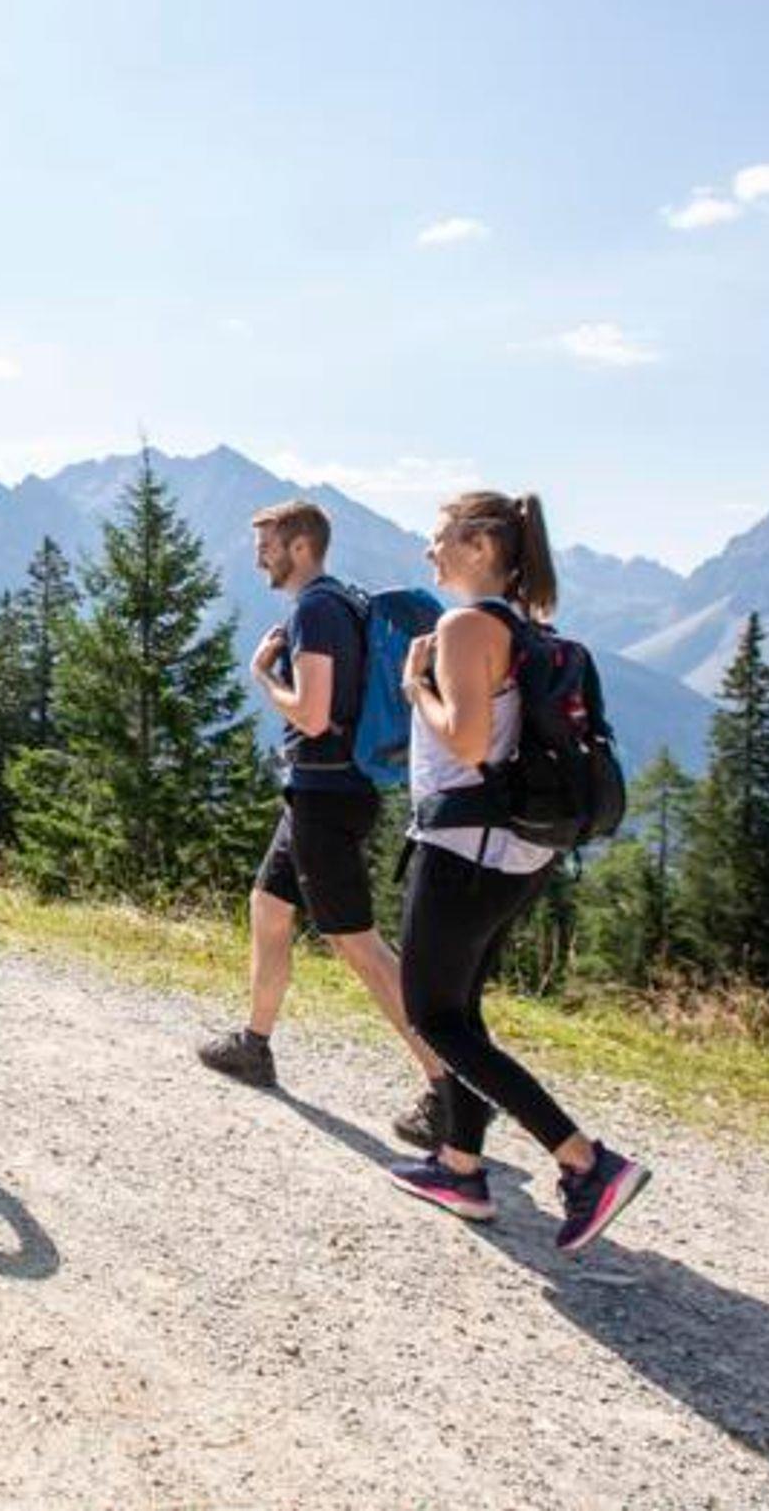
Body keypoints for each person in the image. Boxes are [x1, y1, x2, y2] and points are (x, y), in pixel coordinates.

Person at [387, 490, 650, 1254]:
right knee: (460, 1012)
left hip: (464, 849)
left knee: (432, 1017)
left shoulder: (465, 626)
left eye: (439, 537)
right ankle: (460, 1167)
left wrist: (416, 688)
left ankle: (586, 1162)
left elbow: (468, 742)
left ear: (479, 545)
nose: (429, 550)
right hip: (517, 853)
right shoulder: (525, 628)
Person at [197, 500, 451, 1148]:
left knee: (356, 943)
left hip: (327, 794)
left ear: (300, 546)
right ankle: (254, 1044)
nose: (259, 556)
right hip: (323, 790)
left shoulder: (315, 610)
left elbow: (311, 715)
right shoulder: (342, 601)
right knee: (268, 905)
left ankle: (449, 1085)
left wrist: (261, 676)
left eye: (267, 545)